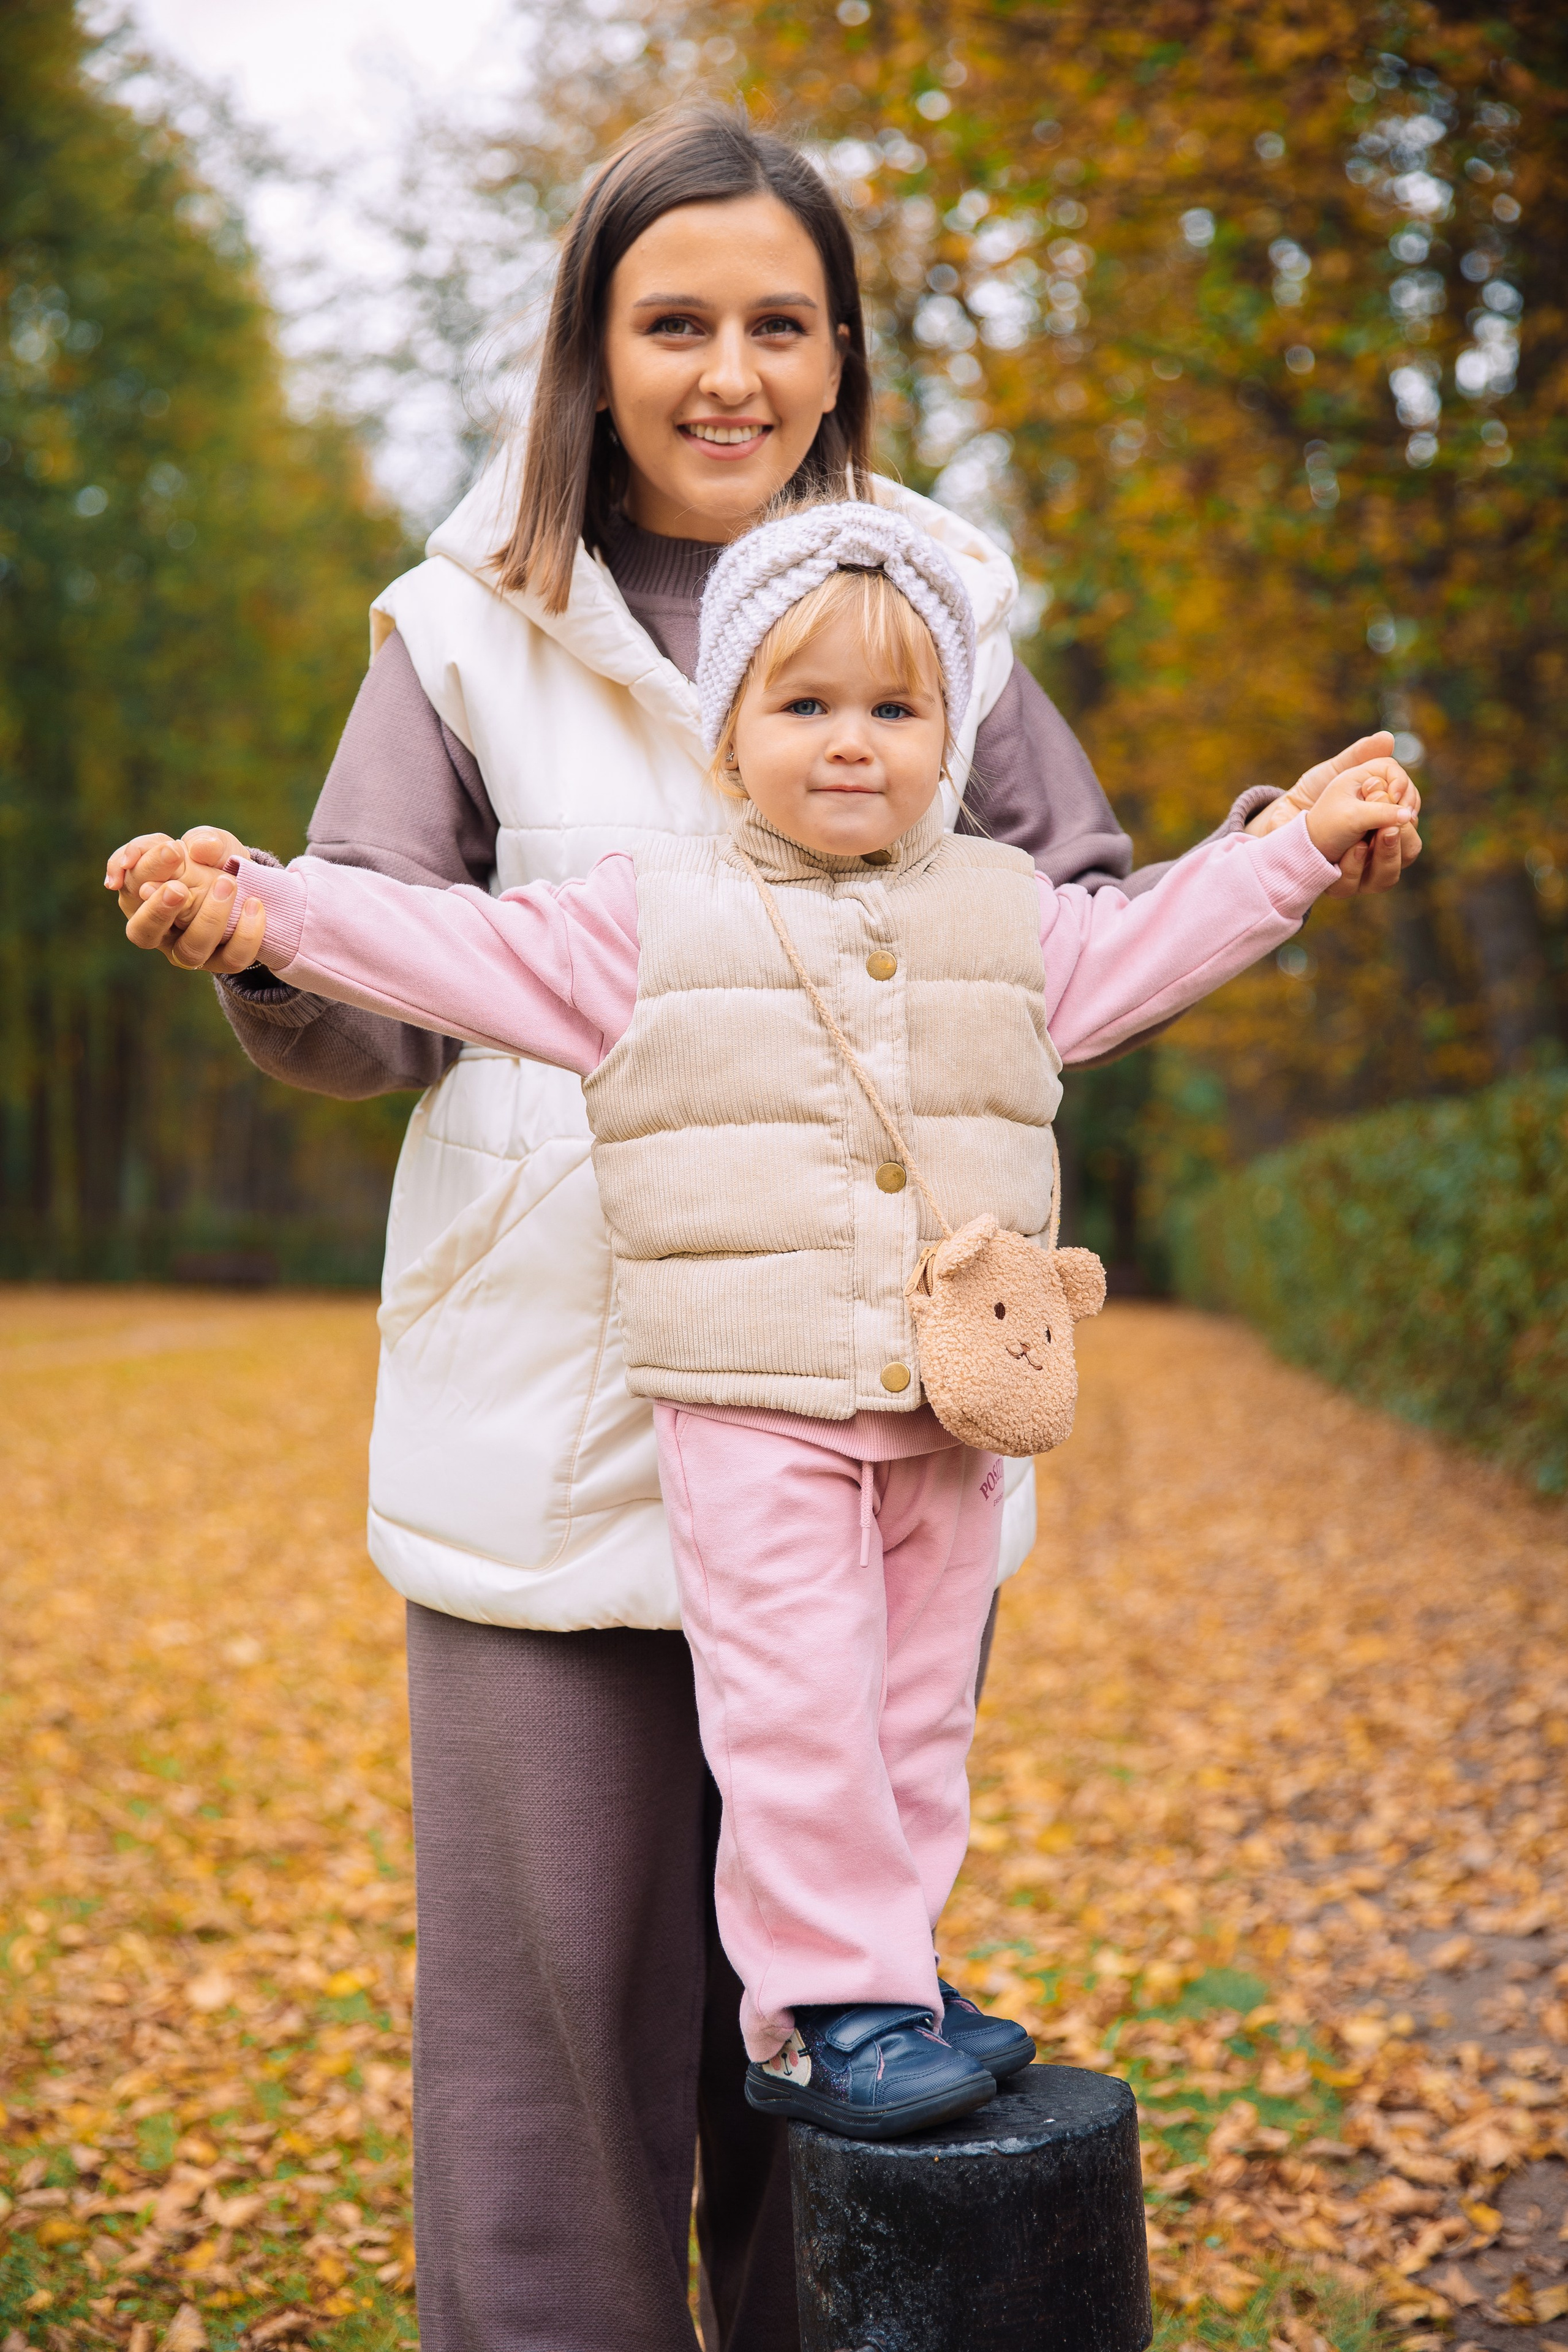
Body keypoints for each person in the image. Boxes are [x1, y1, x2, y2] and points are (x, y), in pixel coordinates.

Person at [106, 106, 1418, 2350]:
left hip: (889, 1391)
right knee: (559, 2059)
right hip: (560, 1401)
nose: (731, 371)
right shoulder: (461, 631)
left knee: (845, 2008)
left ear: (843, 355)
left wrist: (1280, 850)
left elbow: (1065, 933)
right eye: (674, 320)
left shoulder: (942, 610)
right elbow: (375, 991)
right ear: (589, 352)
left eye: (780, 322)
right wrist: (258, 933)